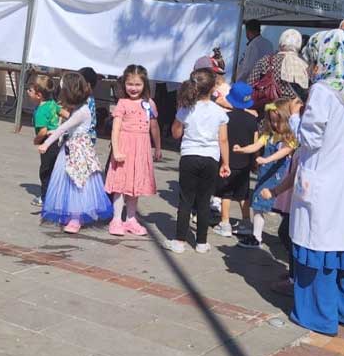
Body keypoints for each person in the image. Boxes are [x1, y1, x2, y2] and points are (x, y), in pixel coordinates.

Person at [288, 29, 344, 336]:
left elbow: (310, 138)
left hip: (324, 177)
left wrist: (292, 118)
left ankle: (318, 315)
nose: (313, 66)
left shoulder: (325, 90)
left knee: (321, 244)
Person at [39, 72, 114, 233]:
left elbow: (64, 127)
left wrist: (46, 143)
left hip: (79, 152)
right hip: (71, 148)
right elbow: (68, 128)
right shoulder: (79, 108)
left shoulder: (82, 111)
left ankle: (76, 217)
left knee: (78, 182)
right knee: (68, 181)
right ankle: (72, 214)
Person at [168, 68, 231, 254]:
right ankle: (201, 242)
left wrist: (179, 122)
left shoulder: (185, 108)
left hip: (189, 156)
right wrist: (226, 163)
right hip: (211, 158)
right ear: (213, 88)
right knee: (205, 201)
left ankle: (179, 241)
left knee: (185, 199)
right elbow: (223, 140)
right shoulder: (219, 112)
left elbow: (176, 133)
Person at [233, 97, 298, 252]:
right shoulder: (268, 135)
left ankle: (288, 237)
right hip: (265, 176)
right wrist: (242, 149)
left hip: (281, 179)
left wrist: (267, 158)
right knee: (258, 205)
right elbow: (256, 145)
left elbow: (284, 152)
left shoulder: (291, 138)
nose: (275, 124)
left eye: (278, 121)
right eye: (272, 121)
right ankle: (257, 236)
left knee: (284, 210)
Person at [104, 65, 161, 236]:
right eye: (130, 84)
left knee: (135, 186)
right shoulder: (122, 103)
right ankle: (116, 219)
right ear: (124, 84)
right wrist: (116, 150)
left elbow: (154, 126)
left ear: (145, 85)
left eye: (137, 84)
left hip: (141, 148)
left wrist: (157, 147)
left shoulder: (149, 104)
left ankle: (130, 219)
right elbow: (116, 129)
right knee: (120, 185)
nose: (133, 88)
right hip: (125, 147)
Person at [214, 82, 259, 237]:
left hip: (228, 160)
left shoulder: (225, 118)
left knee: (226, 193)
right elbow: (256, 142)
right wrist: (255, 159)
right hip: (245, 162)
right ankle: (246, 222)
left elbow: (222, 138)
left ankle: (225, 223)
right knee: (243, 194)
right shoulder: (252, 120)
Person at [29, 75, 61, 208]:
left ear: (39, 95)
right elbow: (62, 112)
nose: (28, 92)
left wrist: (36, 140)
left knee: (45, 171)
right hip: (57, 140)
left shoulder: (41, 111)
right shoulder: (52, 104)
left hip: (47, 142)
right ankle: (55, 195)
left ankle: (45, 197)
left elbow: (43, 131)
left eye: (30, 90)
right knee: (54, 169)